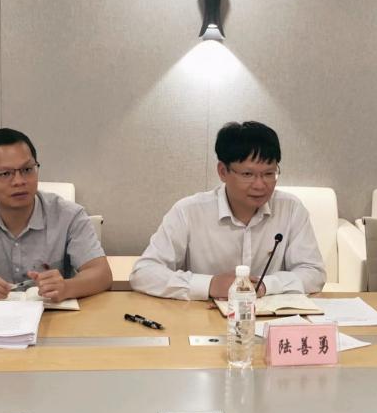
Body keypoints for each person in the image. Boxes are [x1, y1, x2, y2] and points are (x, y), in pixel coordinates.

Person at [130, 121, 326, 300]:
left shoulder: (291, 209)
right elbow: (143, 273)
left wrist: (265, 285)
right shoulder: (188, 212)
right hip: (202, 318)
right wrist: (210, 285)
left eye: (269, 173)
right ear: (223, 171)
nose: (260, 185)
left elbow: (313, 272)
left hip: (271, 319)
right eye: (248, 174)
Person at [0, 128, 112, 301]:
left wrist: (67, 287)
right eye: (5, 174)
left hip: (53, 315)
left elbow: (101, 274)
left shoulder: (69, 215)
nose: (19, 181)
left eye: (27, 170)